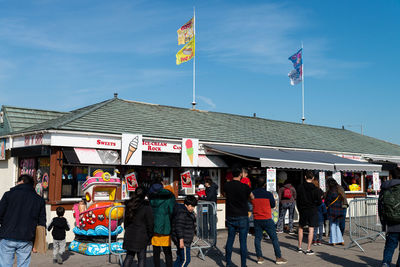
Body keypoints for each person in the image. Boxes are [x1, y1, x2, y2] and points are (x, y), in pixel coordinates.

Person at [0, 174, 46, 267]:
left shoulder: (8, 195)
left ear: (21, 181)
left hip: (7, 235)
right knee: (23, 264)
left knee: (5, 264)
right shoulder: (39, 200)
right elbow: (41, 223)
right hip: (27, 237)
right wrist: (38, 243)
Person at [252, 176, 288, 265]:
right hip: (267, 218)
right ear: (265, 185)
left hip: (257, 219)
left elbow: (250, 202)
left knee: (257, 238)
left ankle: (260, 257)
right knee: (274, 238)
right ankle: (278, 258)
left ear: (256, 184)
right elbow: (272, 205)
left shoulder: (252, 193)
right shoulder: (268, 194)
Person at [224, 168, 252, 267]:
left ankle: (228, 263)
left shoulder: (227, 185)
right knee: (243, 242)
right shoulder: (245, 186)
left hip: (231, 215)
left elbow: (224, 193)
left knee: (230, 240)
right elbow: (252, 197)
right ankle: (243, 265)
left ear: (232, 175)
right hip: (242, 216)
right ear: (240, 174)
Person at [123, 186, 154, 267]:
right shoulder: (146, 206)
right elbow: (150, 223)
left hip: (130, 233)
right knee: (141, 258)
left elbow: (125, 220)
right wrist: (150, 235)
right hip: (141, 235)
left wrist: (126, 229)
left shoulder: (129, 204)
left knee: (129, 256)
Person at [148, 179, 176, 267]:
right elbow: (172, 211)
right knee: (167, 252)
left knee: (156, 252)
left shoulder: (151, 196)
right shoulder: (170, 196)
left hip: (155, 226)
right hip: (166, 226)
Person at [296, 171, 322, 255]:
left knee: (301, 227)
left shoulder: (300, 187)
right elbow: (319, 202)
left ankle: (299, 247)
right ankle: (308, 249)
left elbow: (298, 200)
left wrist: (299, 209)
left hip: (303, 209)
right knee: (311, 229)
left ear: (305, 177)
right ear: (313, 178)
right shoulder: (316, 189)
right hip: (312, 209)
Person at [379, 167, 400, 267]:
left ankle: (386, 263)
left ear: (391, 175)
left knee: (390, 246)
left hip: (391, 222)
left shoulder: (385, 187)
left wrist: (383, 223)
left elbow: (380, 206)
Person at [171, 195, 197, 267]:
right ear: (186, 205)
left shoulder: (187, 212)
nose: (192, 208)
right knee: (186, 260)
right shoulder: (182, 213)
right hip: (184, 240)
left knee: (180, 258)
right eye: (191, 206)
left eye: (194, 206)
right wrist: (181, 240)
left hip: (184, 238)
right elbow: (179, 227)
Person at [324, 178, 345, 246]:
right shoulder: (339, 191)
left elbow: (327, 201)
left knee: (332, 225)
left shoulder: (330, 192)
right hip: (339, 210)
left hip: (332, 210)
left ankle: (333, 241)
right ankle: (340, 240)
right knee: (337, 225)